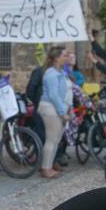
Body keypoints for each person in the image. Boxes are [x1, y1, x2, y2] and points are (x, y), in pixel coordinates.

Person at [39, 46, 71, 179]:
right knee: (51, 140)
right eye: (65, 55)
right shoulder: (51, 74)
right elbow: (53, 95)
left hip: (58, 108)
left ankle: (49, 166)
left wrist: (69, 108)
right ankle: (45, 168)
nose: (67, 57)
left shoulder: (61, 72)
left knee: (56, 140)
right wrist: (63, 112)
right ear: (57, 58)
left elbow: (66, 93)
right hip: (50, 108)